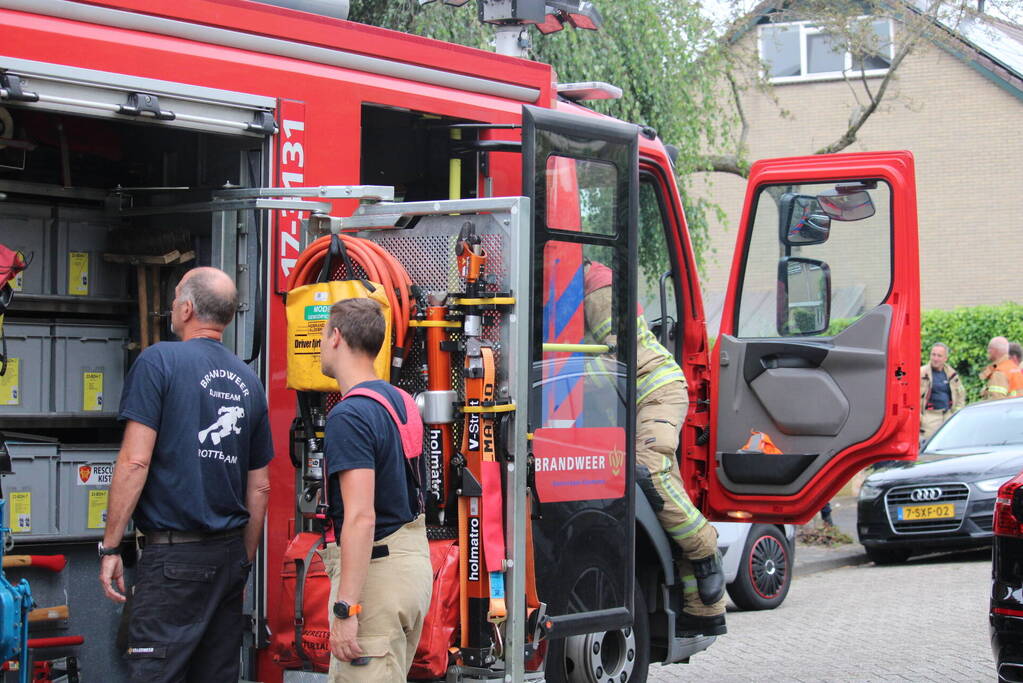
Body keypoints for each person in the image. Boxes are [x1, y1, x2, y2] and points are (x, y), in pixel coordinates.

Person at [98, 267, 273, 682]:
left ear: (188, 308)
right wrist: (241, 565)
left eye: (176, 298)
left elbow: (135, 462)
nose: (172, 307)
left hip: (173, 560)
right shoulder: (250, 381)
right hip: (228, 555)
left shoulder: (158, 361)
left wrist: (110, 547)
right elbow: (261, 486)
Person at [582, 261, 726, 636]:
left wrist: (565, 379)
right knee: (666, 495)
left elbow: (616, 360)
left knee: (647, 469)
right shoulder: (584, 285)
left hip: (655, 391)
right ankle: (703, 610)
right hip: (636, 399)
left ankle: (706, 549)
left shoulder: (597, 286)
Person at [318, 298, 432, 682]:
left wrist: (346, 609)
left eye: (321, 335)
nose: (319, 345)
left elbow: (361, 517)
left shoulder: (348, 416)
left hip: (377, 577)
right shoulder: (399, 401)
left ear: (336, 337)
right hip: (411, 565)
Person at [920, 342, 966, 441]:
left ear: (945, 358)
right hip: (929, 418)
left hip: (948, 416)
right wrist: (920, 418)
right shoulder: (921, 373)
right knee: (929, 446)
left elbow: (961, 394)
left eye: (939, 356)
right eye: (933, 354)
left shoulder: (952, 374)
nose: (935, 358)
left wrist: (956, 414)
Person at [981, 336, 1023, 401]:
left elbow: (997, 402)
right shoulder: (1015, 369)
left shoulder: (1000, 372)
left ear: (995, 350)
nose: (988, 351)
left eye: (989, 348)